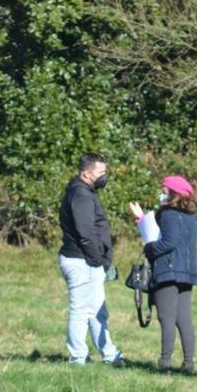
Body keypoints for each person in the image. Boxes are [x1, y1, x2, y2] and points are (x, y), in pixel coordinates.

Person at [128, 176, 197, 373]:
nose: (162, 193)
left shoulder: (167, 214)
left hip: (168, 270)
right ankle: (188, 363)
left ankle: (165, 361)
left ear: (172, 194)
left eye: (164, 189)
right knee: (184, 319)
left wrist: (150, 248)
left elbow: (169, 242)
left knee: (166, 318)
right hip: (187, 272)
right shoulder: (191, 217)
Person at [58, 153, 123, 367]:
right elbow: (86, 232)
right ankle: (78, 357)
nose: (104, 177)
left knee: (97, 311)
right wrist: (99, 260)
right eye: (100, 173)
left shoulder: (83, 192)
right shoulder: (81, 196)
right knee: (81, 310)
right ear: (86, 174)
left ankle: (109, 353)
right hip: (82, 260)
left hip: (86, 260)